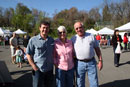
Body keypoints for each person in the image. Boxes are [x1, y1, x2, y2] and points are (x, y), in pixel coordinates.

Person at [71, 21, 103, 87]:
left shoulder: (91, 36)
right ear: (75, 30)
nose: (79, 29)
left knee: (94, 83)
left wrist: (100, 61)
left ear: (83, 27)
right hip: (79, 64)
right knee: (79, 83)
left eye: (80, 27)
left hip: (91, 62)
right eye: (77, 28)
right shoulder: (73, 38)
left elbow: (97, 49)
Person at [26, 21, 54, 87]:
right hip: (38, 69)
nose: (45, 29)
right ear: (39, 28)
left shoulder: (51, 40)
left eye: (47, 28)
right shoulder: (33, 40)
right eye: (43, 27)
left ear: (49, 29)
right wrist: (33, 66)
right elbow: (28, 54)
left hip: (49, 70)